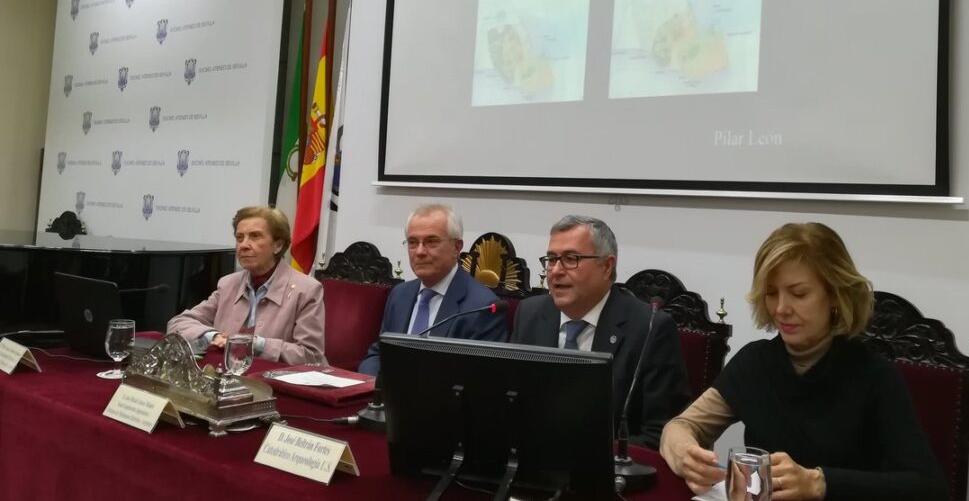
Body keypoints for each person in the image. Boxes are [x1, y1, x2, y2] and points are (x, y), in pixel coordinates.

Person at [660, 222, 947, 501]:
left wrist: (819, 483)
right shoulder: (755, 362)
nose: (781, 309)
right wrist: (685, 453)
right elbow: (681, 427)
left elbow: (927, 487)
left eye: (799, 294)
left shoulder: (874, 375)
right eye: (771, 294)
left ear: (835, 294)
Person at [511, 215, 690, 449]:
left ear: (607, 266)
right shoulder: (530, 314)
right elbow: (511, 401)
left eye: (570, 259)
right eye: (552, 259)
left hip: (606, 473)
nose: (555, 271)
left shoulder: (649, 328)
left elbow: (661, 433)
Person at [358, 204, 507, 375]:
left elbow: (479, 378)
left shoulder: (482, 307)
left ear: (456, 248)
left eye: (431, 241)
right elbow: (379, 354)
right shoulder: (400, 294)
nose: (420, 251)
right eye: (413, 243)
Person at [167, 206, 326, 365]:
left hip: (276, 384)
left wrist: (257, 345)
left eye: (255, 236)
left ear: (278, 245)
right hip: (230, 377)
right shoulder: (228, 284)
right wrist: (213, 336)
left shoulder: (307, 290)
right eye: (239, 238)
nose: (244, 245)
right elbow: (179, 323)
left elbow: (311, 357)